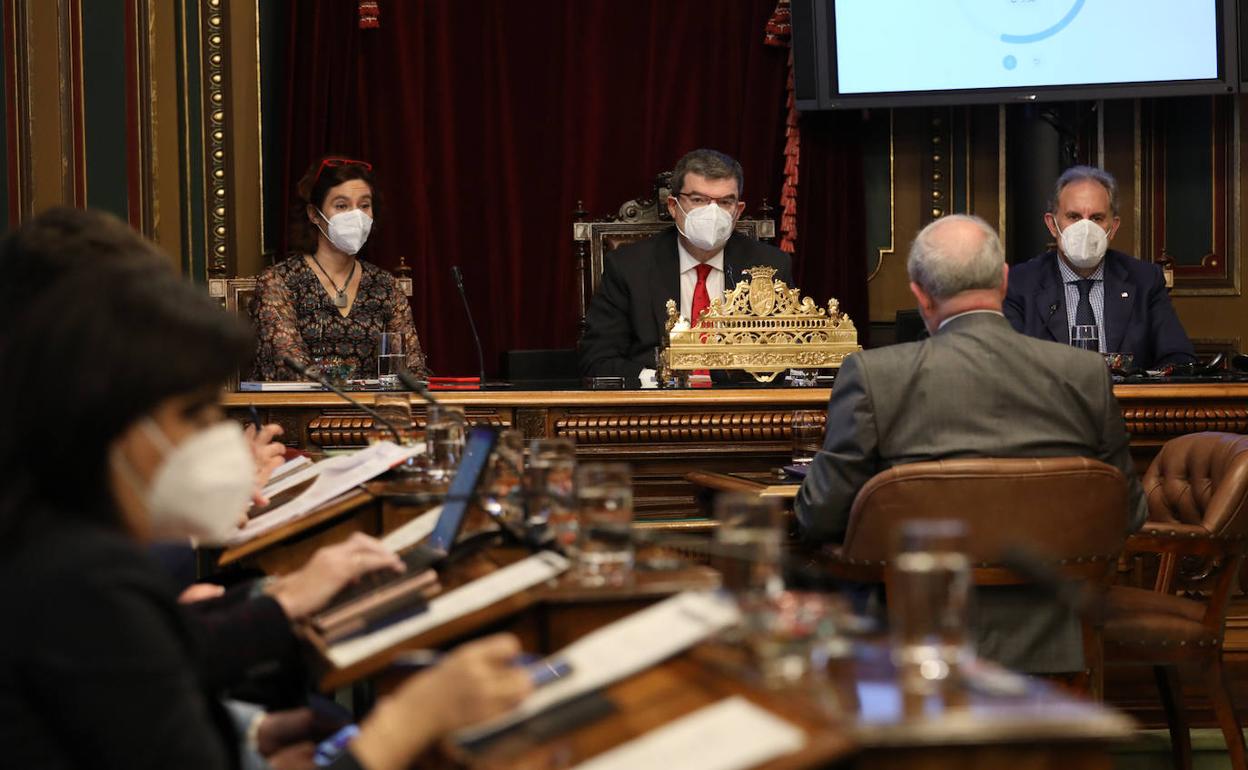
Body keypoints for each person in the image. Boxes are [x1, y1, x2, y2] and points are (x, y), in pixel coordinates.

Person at [0, 226, 530, 769]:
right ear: (111, 417)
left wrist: (252, 738)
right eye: (195, 414)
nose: (215, 435)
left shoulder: (56, 541)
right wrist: (408, 721)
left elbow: (130, 702)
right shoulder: (81, 575)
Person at [795, 214, 1147, 673]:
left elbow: (819, 516)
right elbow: (1130, 512)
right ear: (1004, 281)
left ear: (920, 293)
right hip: (1054, 641)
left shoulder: (874, 376)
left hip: (908, 644)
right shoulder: (1085, 374)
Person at [578, 148, 793, 386]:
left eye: (724, 202)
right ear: (673, 206)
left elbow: (787, 356)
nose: (712, 213)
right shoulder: (628, 267)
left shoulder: (770, 266)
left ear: (738, 211)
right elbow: (597, 359)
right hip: (655, 402)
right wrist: (659, 380)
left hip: (741, 402)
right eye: (698, 200)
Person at [251, 155, 428, 381]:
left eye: (364, 205)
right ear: (314, 214)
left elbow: (412, 367)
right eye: (342, 206)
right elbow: (286, 363)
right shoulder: (279, 281)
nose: (356, 215)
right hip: (303, 402)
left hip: (373, 403)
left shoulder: (385, 286)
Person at [1004, 165, 1196, 369]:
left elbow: (1179, 358)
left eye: (1096, 218)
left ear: (1113, 228)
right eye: (1074, 217)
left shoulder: (1145, 281)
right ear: (1052, 225)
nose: (1085, 229)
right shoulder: (1019, 284)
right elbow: (1006, 364)